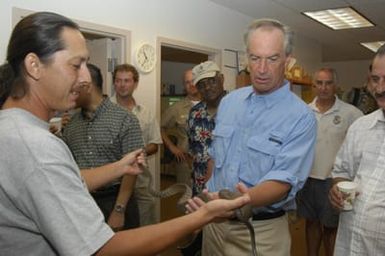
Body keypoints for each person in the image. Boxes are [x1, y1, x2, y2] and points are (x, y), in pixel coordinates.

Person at [0, 11, 250, 256]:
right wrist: (203, 216)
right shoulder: (36, 146)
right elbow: (103, 248)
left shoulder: (14, 130)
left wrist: (119, 167)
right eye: (76, 65)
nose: (86, 78)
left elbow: (64, 181)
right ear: (34, 65)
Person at [202, 18, 317, 256]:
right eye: (255, 58)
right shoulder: (230, 102)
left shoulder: (301, 116)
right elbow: (215, 156)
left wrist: (235, 202)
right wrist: (207, 192)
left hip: (260, 232)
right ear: (247, 58)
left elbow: (282, 183)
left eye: (272, 59)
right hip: (213, 224)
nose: (262, 69)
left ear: (288, 60)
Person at [61, 63, 144, 231]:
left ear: (87, 87)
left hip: (117, 200)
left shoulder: (125, 119)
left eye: (74, 88)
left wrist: (119, 210)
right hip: (83, 202)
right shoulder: (71, 125)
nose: (71, 93)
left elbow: (132, 170)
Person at [296, 68, 363, 256]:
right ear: (314, 85)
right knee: (311, 224)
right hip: (308, 179)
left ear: (336, 86)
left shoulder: (352, 113)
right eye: (319, 83)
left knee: (331, 229)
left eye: (328, 83)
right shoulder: (304, 111)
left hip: (334, 181)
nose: (323, 87)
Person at [329, 44, 385, 256]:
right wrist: (336, 190)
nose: (379, 89)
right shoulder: (360, 126)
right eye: (375, 79)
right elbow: (342, 171)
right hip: (349, 246)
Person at [111, 63, 162, 225]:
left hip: (141, 182)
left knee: (145, 227)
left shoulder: (145, 112)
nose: (122, 85)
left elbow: (155, 144)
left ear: (135, 83)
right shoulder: (104, 110)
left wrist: (137, 153)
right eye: (118, 81)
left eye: (127, 81)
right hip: (112, 183)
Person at [187, 60, 226, 196]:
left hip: (228, 186)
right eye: (202, 85)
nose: (207, 88)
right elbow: (192, 150)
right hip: (200, 186)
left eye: (211, 81)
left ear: (221, 79)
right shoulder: (194, 113)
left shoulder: (237, 107)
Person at [161, 68, 201, 186]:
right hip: (185, 164)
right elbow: (160, 127)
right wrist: (172, 147)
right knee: (186, 199)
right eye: (187, 82)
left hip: (209, 163)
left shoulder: (211, 104)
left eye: (193, 80)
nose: (191, 85)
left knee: (207, 199)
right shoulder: (177, 108)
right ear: (184, 85)